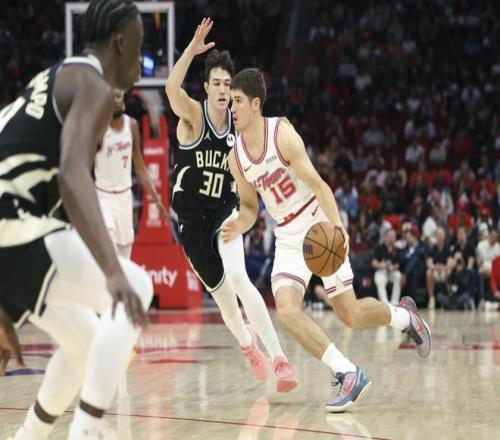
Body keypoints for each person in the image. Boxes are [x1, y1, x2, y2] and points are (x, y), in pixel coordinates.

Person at [222, 68, 431, 412]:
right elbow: (249, 207)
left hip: (316, 222)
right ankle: (348, 372)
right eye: (231, 102)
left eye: (238, 101)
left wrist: (338, 227)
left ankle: (405, 318)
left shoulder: (282, 135)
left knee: (350, 313)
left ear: (255, 104)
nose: (232, 108)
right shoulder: (236, 158)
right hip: (287, 235)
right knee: (286, 309)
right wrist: (237, 225)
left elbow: (320, 185)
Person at [0, 1, 154, 438]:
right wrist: (112, 272)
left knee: (85, 343)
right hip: (12, 222)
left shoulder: (53, 78)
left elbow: (59, 194)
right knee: (137, 287)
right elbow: (72, 176)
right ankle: (86, 431)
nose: (142, 59)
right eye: (140, 45)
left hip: (13, 230)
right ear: (120, 43)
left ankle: (27, 436)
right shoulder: (94, 86)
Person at [164, 18, 297, 392]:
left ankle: (280, 359)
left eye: (227, 84)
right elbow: (171, 89)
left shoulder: (240, 128)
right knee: (226, 305)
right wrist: (191, 50)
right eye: (217, 84)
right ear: (206, 88)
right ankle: (247, 345)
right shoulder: (194, 116)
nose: (223, 90)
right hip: (192, 223)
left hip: (226, 211)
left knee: (239, 277)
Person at [95, 88, 168, 258]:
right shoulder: (99, 128)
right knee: (109, 249)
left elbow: (140, 167)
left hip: (124, 198)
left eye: (119, 97)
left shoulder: (132, 126)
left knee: (125, 258)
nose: (117, 100)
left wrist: (157, 200)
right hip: (103, 197)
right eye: (113, 97)